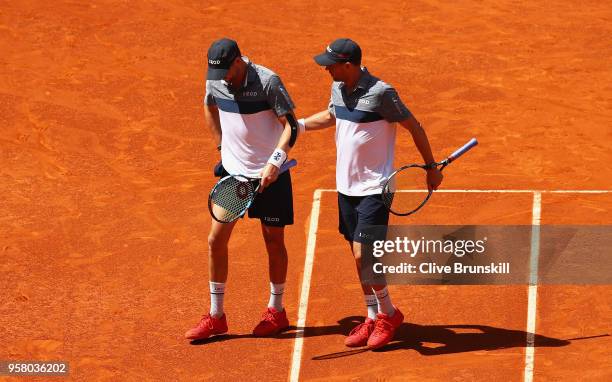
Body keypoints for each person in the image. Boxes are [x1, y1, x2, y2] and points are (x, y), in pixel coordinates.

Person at [297, 38, 443, 349]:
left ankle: (389, 314)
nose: (325, 69)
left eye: (330, 64)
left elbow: (414, 126)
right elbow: (331, 115)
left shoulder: (382, 93)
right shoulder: (338, 87)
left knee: (366, 255)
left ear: (348, 65)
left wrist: (431, 166)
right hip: (346, 187)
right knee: (356, 253)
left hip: (375, 188)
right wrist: (299, 126)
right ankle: (372, 315)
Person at [185, 38, 301, 340]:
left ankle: (276, 311)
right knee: (215, 240)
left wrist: (274, 162)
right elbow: (209, 108)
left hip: (271, 177)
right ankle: (216, 316)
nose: (220, 78)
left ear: (238, 61)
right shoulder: (216, 80)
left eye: (225, 70)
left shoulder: (267, 81)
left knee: (273, 242)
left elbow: (291, 125)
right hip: (234, 178)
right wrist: (222, 147)